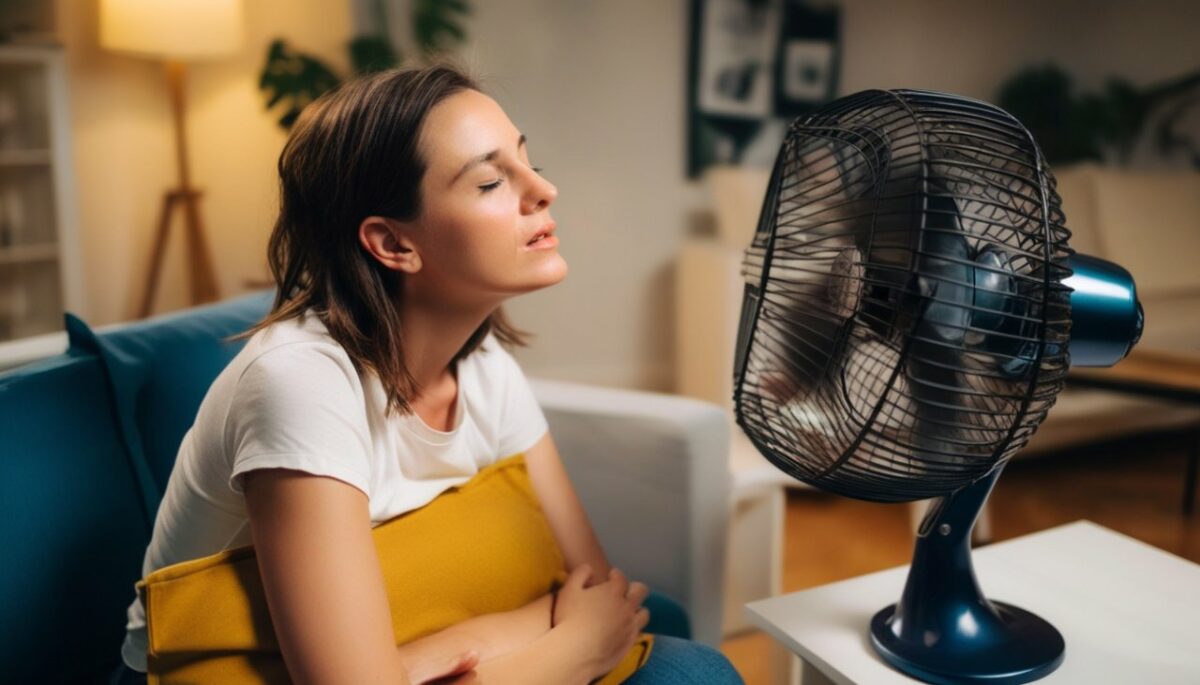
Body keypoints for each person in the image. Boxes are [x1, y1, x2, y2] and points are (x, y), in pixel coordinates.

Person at [111, 64, 743, 684]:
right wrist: (575, 646)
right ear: (393, 244)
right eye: (491, 182)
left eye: (529, 161)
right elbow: (588, 623)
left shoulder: (486, 368)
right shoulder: (299, 382)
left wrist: (446, 651)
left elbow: (594, 588)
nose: (543, 190)